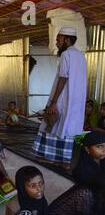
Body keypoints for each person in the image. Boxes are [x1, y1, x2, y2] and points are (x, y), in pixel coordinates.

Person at [32, 27, 87, 168]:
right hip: (76, 102)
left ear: (67, 40)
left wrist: (54, 102)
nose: (56, 43)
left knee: (54, 124)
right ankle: (65, 161)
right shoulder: (80, 55)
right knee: (68, 128)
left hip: (64, 99)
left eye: (58, 40)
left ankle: (51, 158)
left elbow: (63, 78)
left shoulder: (66, 55)